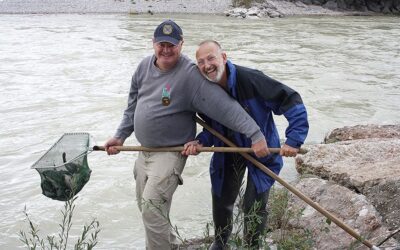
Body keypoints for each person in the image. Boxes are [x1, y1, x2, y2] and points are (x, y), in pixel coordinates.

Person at [104, 21, 270, 250]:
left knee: (152, 207)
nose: (166, 50)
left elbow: (225, 107)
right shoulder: (143, 67)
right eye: (161, 44)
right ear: (153, 43)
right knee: (148, 209)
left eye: (172, 45)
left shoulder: (190, 74)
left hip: (170, 153)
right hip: (145, 152)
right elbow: (132, 105)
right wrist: (120, 136)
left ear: (181, 45)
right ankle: (171, 246)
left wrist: (255, 133)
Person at [182, 40, 309, 249]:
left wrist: (294, 139)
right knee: (222, 200)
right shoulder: (204, 91)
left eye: (211, 58)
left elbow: (290, 99)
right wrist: (201, 141)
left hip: (262, 150)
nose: (207, 65)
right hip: (229, 151)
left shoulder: (251, 79)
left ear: (224, 57)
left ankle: (252, 246)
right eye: (201, 62)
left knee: (253, 205)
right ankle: (221, 243)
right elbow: (212, 129)